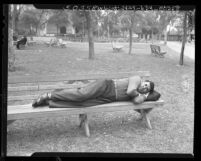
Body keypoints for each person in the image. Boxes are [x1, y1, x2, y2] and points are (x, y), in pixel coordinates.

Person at [32, 75, 161, 108]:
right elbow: (130, 91)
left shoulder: (140, 94)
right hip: (106, 86)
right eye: (146, 84)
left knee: (82, 104)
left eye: (147, 89)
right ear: (143, 80)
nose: (144, 87)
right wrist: (139, 93)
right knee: (82, 95)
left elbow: (137, 101)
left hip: (108, 98)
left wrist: (144, 96)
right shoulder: (136, 79)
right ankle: (48, 94)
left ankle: (50, 102)